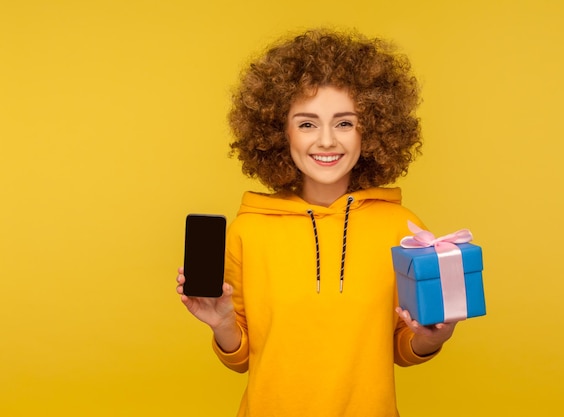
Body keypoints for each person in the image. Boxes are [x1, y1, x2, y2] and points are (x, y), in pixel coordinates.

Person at [176, 28, 458, 417]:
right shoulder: (248, 230)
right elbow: (241, 359)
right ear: (280, 131)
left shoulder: (403, 228)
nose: (326, 140)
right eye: (307, 123)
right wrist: (222, 324)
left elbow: (402, 349)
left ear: (371, 130)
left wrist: (434, 335)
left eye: (344, 123)